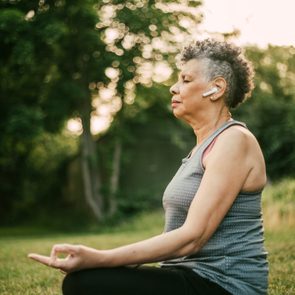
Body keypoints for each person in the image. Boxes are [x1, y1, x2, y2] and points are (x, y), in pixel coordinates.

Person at [28, 39, 269, 295]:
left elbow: (192, 238)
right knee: (88, 280)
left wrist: (101, 257)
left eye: (186, 80)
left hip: (224, 286)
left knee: (85, 283)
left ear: (216, 88)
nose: (174, 88)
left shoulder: (234, 140)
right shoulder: (200, 149)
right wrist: (120, 264)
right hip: (187, 276)